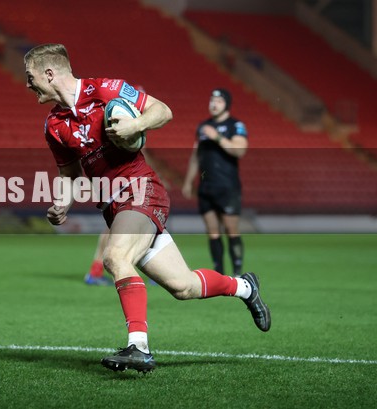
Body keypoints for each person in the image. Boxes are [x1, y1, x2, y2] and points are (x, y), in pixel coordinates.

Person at [24, 44, 270, 373]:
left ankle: (138, 346)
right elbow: (69, 174)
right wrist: (61, 203)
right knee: (183, 287)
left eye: (31, 77)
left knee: (115, 257)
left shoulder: (105, 90)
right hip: (116, 206)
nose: (28, 84)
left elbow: (163, 111)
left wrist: (135, 124)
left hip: (142, 191)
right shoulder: (54, 125)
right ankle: (245, 287)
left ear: (49, 73)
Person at [182, 89, 248, 276]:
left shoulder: (235, 125)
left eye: (218, 100)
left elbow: (240, 150)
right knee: (212, 231)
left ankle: (237, 272)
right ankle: (219, 273)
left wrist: (217, 137)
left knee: (231, 229)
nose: (213, 104)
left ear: (226, 104)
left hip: (227, 186)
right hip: (206, 187)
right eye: (211, 100)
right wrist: (188, 182)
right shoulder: (203, 127)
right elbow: (196, 156)